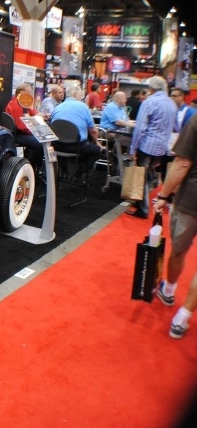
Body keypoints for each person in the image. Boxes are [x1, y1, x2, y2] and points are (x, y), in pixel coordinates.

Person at [152, 113, 197, 339]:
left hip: (190, 200)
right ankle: (182, 319)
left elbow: (182, 163)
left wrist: (163, 195)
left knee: (179, 250)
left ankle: (169, 291)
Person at [127, 76, 177, 219]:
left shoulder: (150, 102)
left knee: (141, 176)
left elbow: (140, 128)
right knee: (149, 175)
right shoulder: (171, 104)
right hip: (162, 146)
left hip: (147, 144)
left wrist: (133, 148)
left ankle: (143, 209)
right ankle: (141, 202)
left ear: (152, 88)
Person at [50, 85, 103, 182]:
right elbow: (93, 130)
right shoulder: (83, 107)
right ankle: (78, 175)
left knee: (63, 139)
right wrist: (97, 142)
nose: (82, 97)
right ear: (75, 94)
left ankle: (64, 172)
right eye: (81, 95)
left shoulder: (58, 107)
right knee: (96, 150)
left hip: (56, 145)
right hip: (76, 146)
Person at [4, 82, 44, 172]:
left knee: (37, 140)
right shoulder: (16, 106)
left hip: (22, 132)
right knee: (40, 142)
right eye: (29, 93)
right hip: (18, 134)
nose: (31, 95)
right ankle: (33, 168)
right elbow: (22, 128)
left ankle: (29, 163)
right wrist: (36, 131)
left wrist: (38, 114)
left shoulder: (21, 102)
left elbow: (31, 111)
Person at [160, 88, 197, 181]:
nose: (172, 98)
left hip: (180, 149)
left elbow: (189, 133)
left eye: (174, 96)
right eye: (171, 96)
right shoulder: (170, 110)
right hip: (166, 147)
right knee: (164, 173)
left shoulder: (189, 112)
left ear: (181, 97)